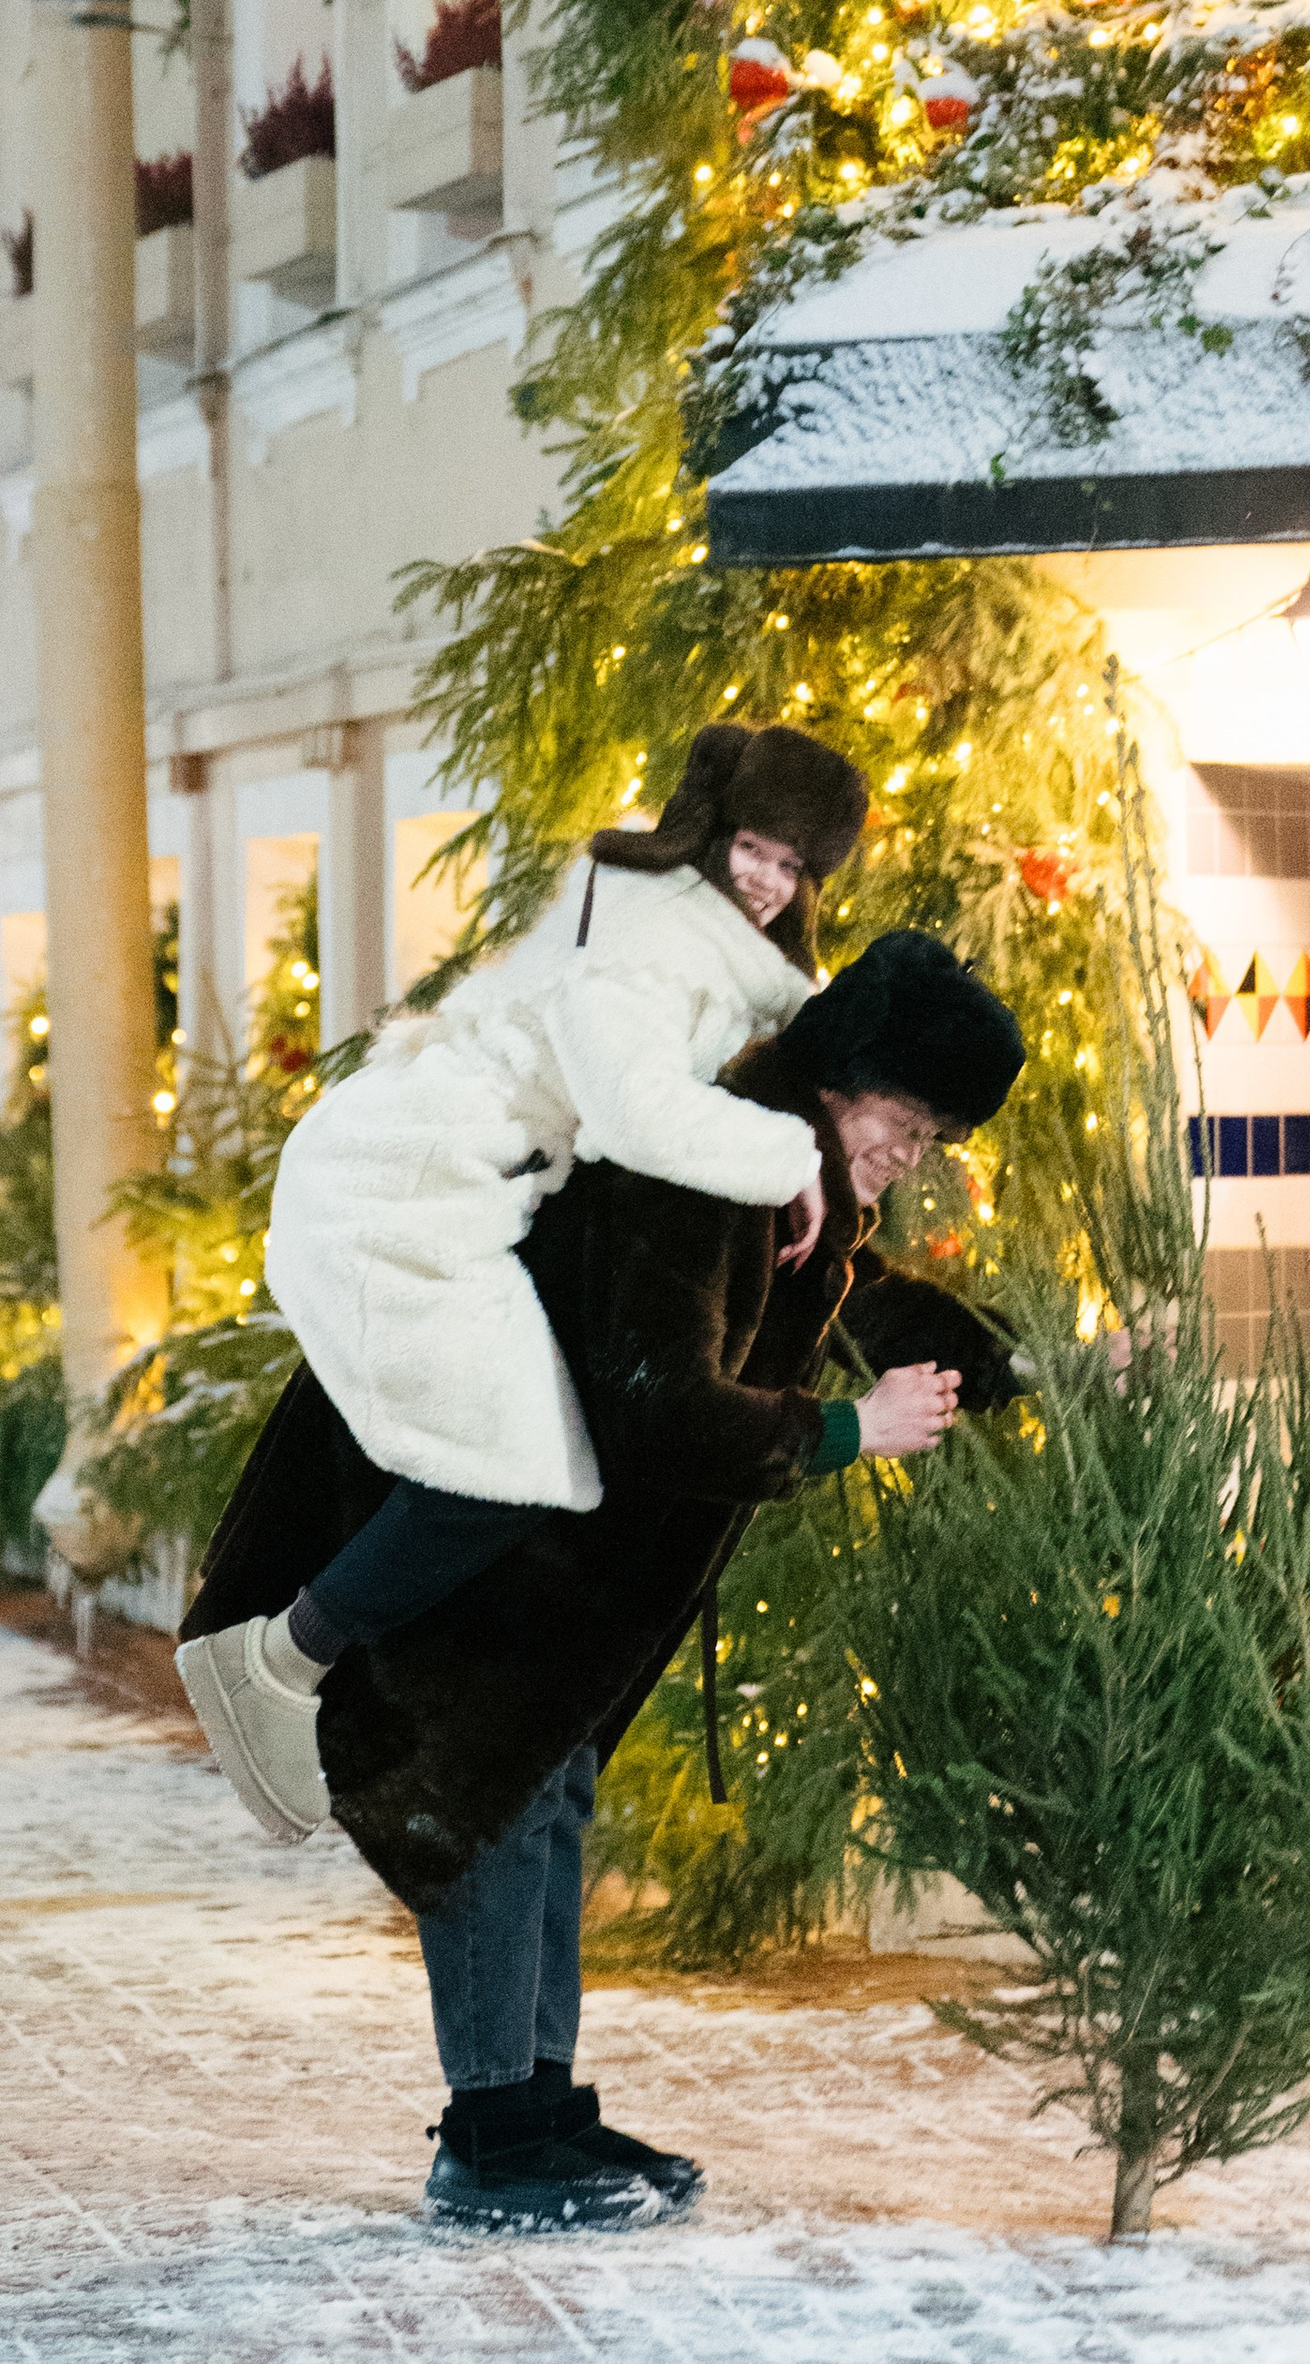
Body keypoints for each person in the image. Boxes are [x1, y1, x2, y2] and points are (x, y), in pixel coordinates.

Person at [179, 924, 1026, 2232]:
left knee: (545, 1793)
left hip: (560, 1555)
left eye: (930, 1140)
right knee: (488, 1801)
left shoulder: (789, 1167)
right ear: (842, 1076)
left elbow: (852, 1298)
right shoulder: (707, 1155)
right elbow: (650, 1401)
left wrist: (1025, 1370)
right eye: (907, 1125)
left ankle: (538, 2106)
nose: (910, 1160)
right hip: (477, 1520)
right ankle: (490, 2137)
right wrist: (852, 1431)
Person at [177, 721, 867, 1849]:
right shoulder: (647, 942)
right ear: (712, 830)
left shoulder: (695, 948)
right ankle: (281, 1662)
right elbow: (636, 1114)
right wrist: (796, 1159)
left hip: (448, 1196)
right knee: (507, 1472)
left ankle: (322, 1670)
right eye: (755, 846)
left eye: (794, 867)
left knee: (534, 1468)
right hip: (396, 1199)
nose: (766, 880)